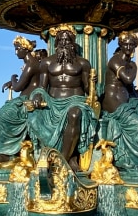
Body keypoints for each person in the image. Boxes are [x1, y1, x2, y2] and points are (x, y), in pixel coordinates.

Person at [28, 25, 98, 170]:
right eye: (61, 41)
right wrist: (38, 95)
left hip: (75, 100)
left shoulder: (83, 63)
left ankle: (63, 160)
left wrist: (92, 84)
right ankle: (63, 158)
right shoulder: (46, 63)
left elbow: (87, 89)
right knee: (32, 115)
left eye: (67, 41)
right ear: (56, 43)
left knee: (74, 114)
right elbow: (42, 87)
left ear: (73, 43)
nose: (64, 44)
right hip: (53, 102)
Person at [99, 31, 138, 171]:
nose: (128, 47)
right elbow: (128, 79)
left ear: (135, 46)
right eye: (125, 44)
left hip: (127, 101)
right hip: (114, 102)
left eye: (132, 45)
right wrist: (134, 67)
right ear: (120, 45)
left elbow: (133, 92)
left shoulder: (128, 63)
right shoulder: (115, 60)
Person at [0, 36, 42, 168]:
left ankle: (3, 153)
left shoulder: (31, 64)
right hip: (22, 100)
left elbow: (18, 88)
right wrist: (13, 82)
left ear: (25, 49)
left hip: (26, 101)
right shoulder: (31, 63)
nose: (15, 52)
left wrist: (12, 78)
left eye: (17, 49)